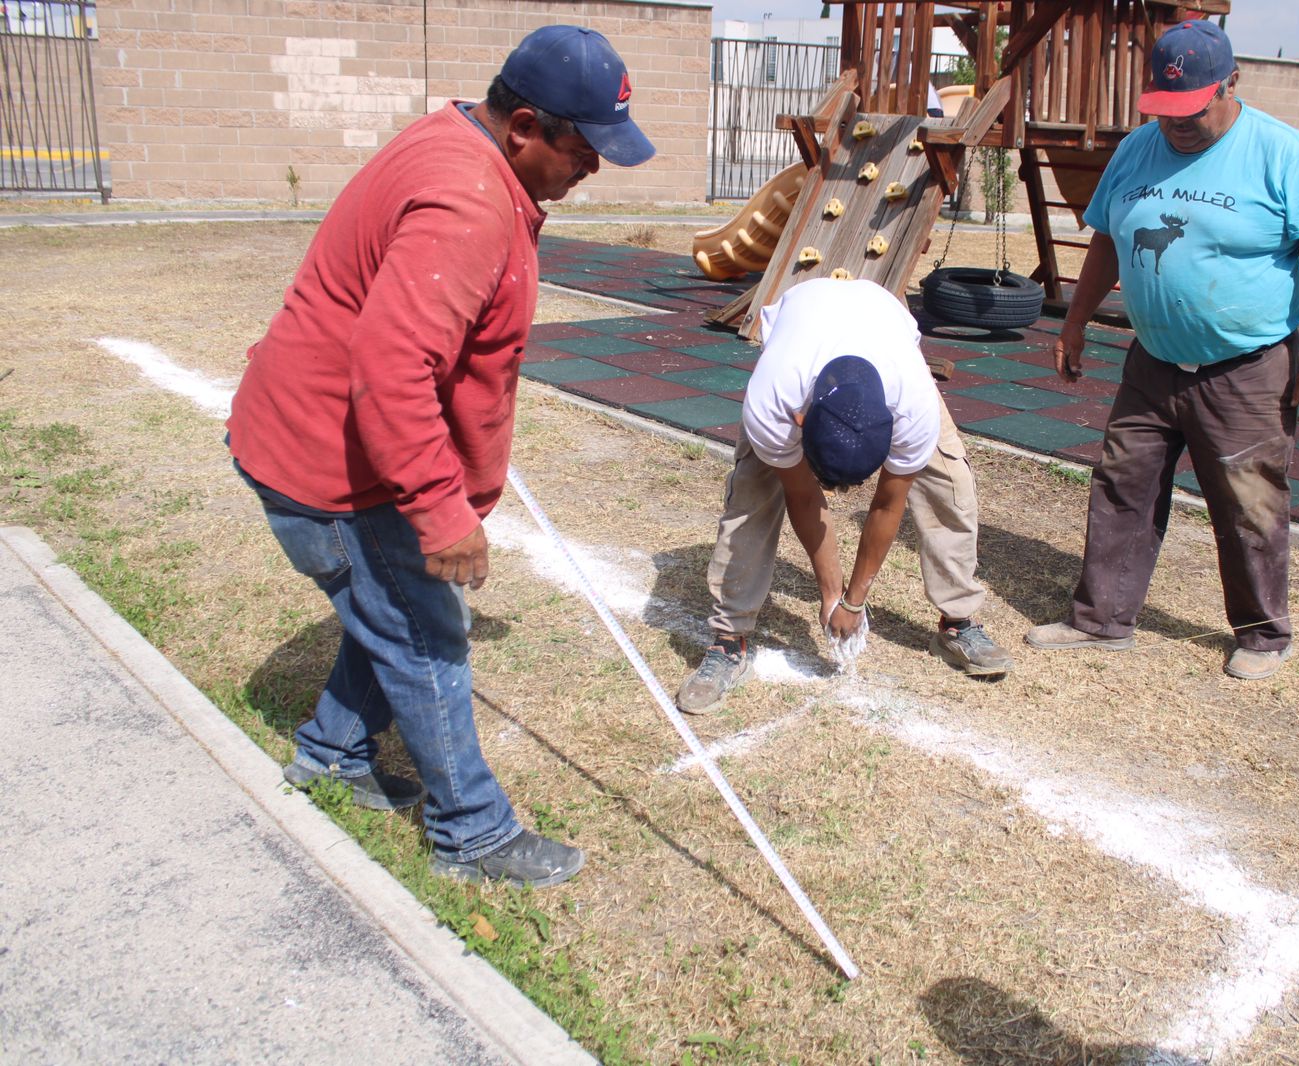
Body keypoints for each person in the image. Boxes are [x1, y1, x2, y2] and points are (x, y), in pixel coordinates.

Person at [226, 25, 654, 888]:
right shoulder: (468, 201)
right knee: (428, 632)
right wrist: (439, 506)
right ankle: (472, 836)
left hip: (321, 443)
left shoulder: (463, 142)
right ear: (525, 124)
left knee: (390, 613)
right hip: (333, 467)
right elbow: (389, 368)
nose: (593, 167)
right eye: (582, 146)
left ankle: (334, 753)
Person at [1025, 18, 1299, 681]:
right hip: (1152, 360)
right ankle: (1102, 621)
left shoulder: (1282, 153)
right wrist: (1075, 322)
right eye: (1165, 110)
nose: (1177, 123)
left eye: (1192, 109)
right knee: (1123, 485)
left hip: (1247, 368)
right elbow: (1110, 240)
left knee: (1248, 502)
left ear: (1230, 82)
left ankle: (1263, 635)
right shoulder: (1138, 149)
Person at [676, 277, 1013, 713]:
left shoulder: (913, 407)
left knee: (950, 485)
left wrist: (854, 601)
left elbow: (887, 504)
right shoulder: (776, 398)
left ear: (892, 429)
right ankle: (729, 639)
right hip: (802, 326)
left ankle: (958, 622)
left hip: (882, 327)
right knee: (752, 496)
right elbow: (804, 498)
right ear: (800, 421)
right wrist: (831, 594)